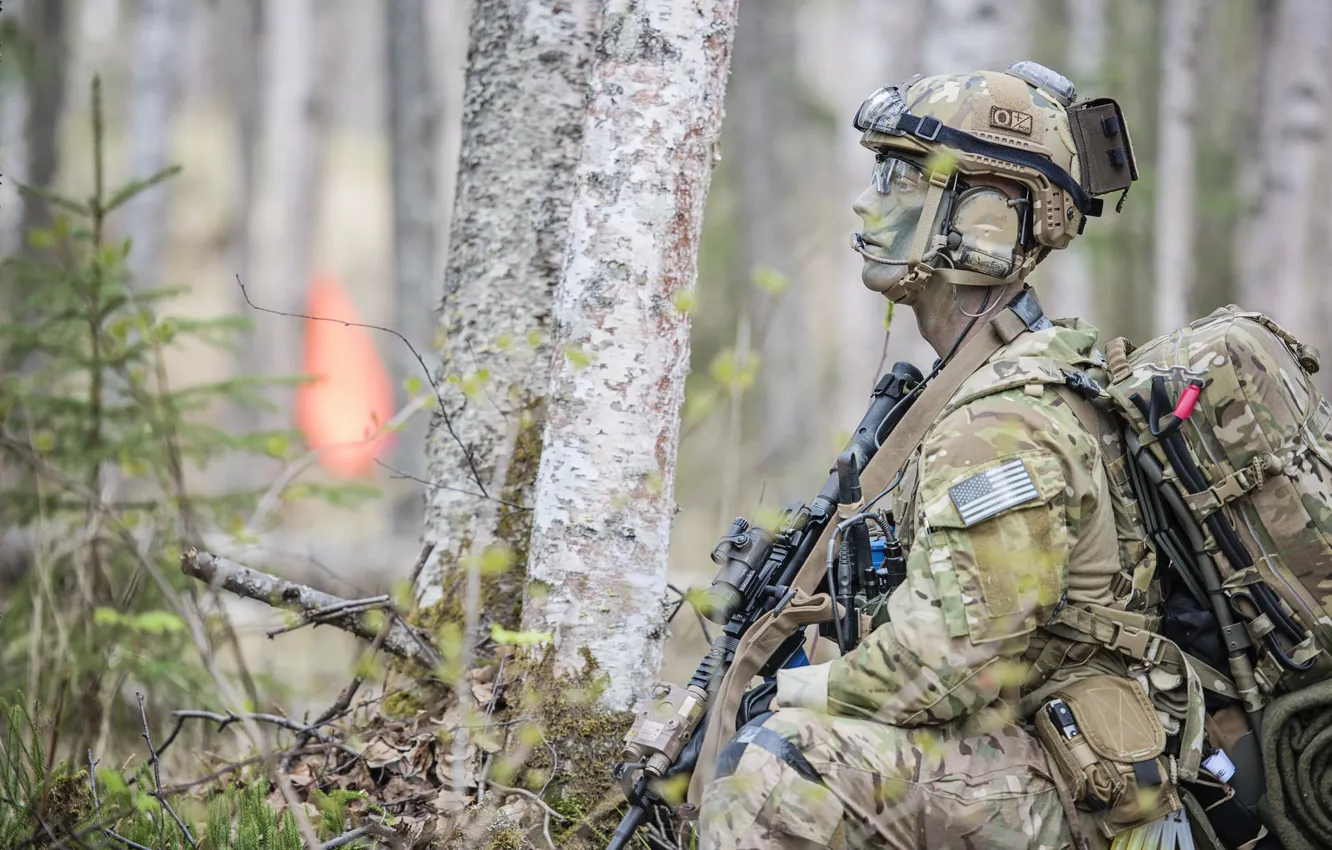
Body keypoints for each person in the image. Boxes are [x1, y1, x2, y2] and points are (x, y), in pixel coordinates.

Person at [698, 62, 1171, 850]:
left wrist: (789, 691)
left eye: (898, 176)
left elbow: (947, 665)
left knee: (782, 769)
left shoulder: (1003, 422)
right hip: (1035, 752)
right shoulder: (984, 385)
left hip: (1086, 789)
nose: (866, 198)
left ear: (986, 218)